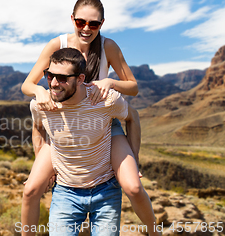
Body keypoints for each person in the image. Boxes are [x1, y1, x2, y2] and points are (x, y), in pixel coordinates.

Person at [20, 0, 159, 235]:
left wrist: (111, 82)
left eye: (93, 23)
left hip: (102, 120)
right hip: (63, 123)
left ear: (101, 23)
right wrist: (40, 91)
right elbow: (27, 84)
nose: (86, 28)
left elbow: (133, 88)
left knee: (132, 185)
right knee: (32, 189)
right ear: (72, 19)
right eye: (80, 21)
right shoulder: (58, 45)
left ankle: (155, 230)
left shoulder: (108, 47)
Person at [28, 48, 137, 235]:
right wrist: (42, 165)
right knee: (29, 191)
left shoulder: (106, 100)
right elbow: (37, 126)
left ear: (80, 79)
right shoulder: (41, 104)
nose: (54, 83)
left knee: (135, 188)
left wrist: (134, 160)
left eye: (62, 78)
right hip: (65, 193)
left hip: (106, 190)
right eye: (49, 76)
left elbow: (132, 115)